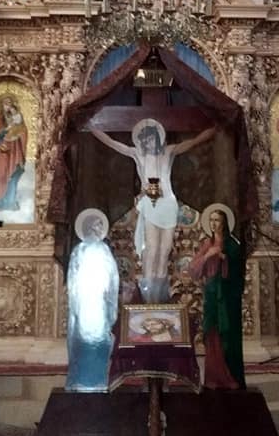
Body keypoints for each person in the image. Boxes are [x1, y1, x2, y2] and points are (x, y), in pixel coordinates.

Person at [91, 116, 214, 303]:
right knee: (152, 249)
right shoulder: (137, 154)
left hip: (168, 204)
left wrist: (214, 129)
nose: (147, 142)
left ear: (157, 138)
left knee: (165, 250)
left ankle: (160, 298)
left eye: (150, 138)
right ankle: (148, 298)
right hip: (151, 204)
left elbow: (193, 142)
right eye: (144, 140)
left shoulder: (169, 152)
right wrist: (92, 127)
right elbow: (112, 143)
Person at [189, 204, 245, 388]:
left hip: (226, 296)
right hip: (212, 294)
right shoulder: (208, 244)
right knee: (211, 334)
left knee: (226, 336)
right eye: (211, 220)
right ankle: (213, 377)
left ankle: (229, 377)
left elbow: (238, 269)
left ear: (224, 223)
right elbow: (194, 268)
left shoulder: (232, 245)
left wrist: (223, 257)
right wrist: (208, 256)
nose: (213, 224)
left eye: (217, 220)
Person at [66, 209, 119, 392]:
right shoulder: (81, 251)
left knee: (98, 345)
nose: (99, 229)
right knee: (84, 346)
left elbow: (111, 282)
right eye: (97, 225)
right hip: (87, 307)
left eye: (100, 225)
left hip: (97, 308)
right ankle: (84, 383)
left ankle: (96, 383)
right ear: (89, 227)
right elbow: (73, 284)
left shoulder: (99, 251)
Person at [0, 95, 28, 210]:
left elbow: (23, 131)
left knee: (14, 172)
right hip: (1, 151)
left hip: (15, 150)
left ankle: (10, 201)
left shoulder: (16, 116)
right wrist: (4, 130)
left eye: (9, 103)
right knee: (1, 173)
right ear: (1, 106)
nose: (8, 106)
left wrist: (19, 132)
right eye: (5, 104)